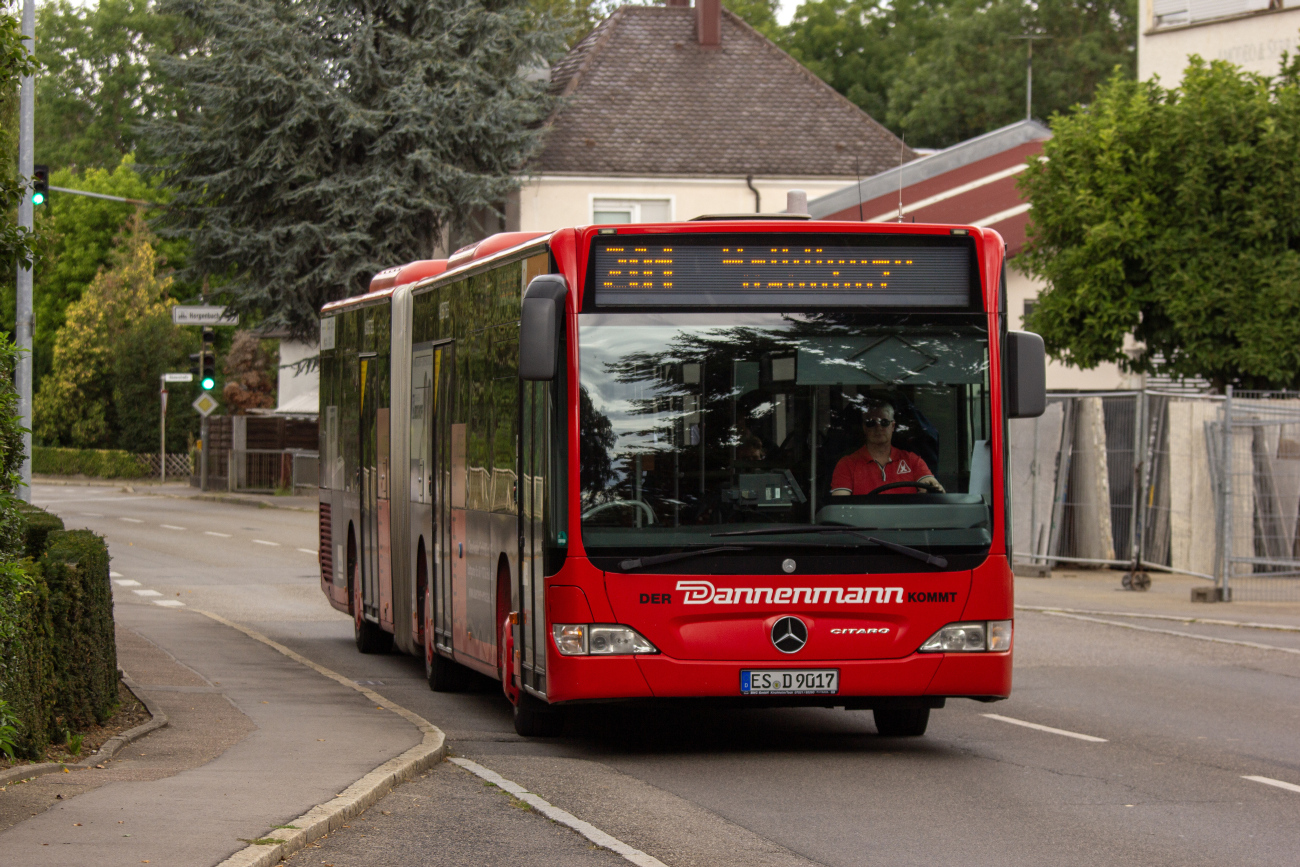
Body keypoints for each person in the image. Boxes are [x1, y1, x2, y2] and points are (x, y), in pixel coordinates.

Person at [830, 401, 944, 495]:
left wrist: (932, 488)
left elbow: (934, 492)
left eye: (884, 422)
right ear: (864, 427)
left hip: (906, 522)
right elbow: (841, 506)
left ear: (893, 426)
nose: (878, 428)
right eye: (871, 423)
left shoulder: (912, 461)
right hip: (863, 523)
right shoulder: (846, 464)